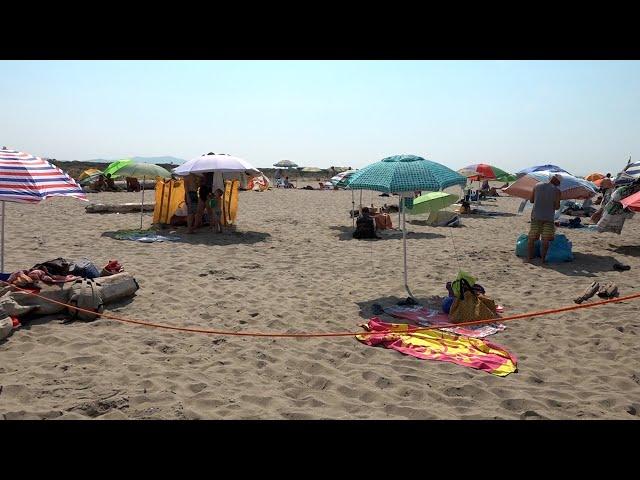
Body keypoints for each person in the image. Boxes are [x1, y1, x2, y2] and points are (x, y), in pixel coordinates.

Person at [527, 174, 561, 263]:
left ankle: (530, 258)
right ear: (557, 182)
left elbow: (531, 200)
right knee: (545, 240)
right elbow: (557, 207)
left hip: (536, 216)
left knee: (532, 238)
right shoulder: (557, 191)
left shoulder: (537, 185)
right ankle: (542, 259)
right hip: (548, 218)